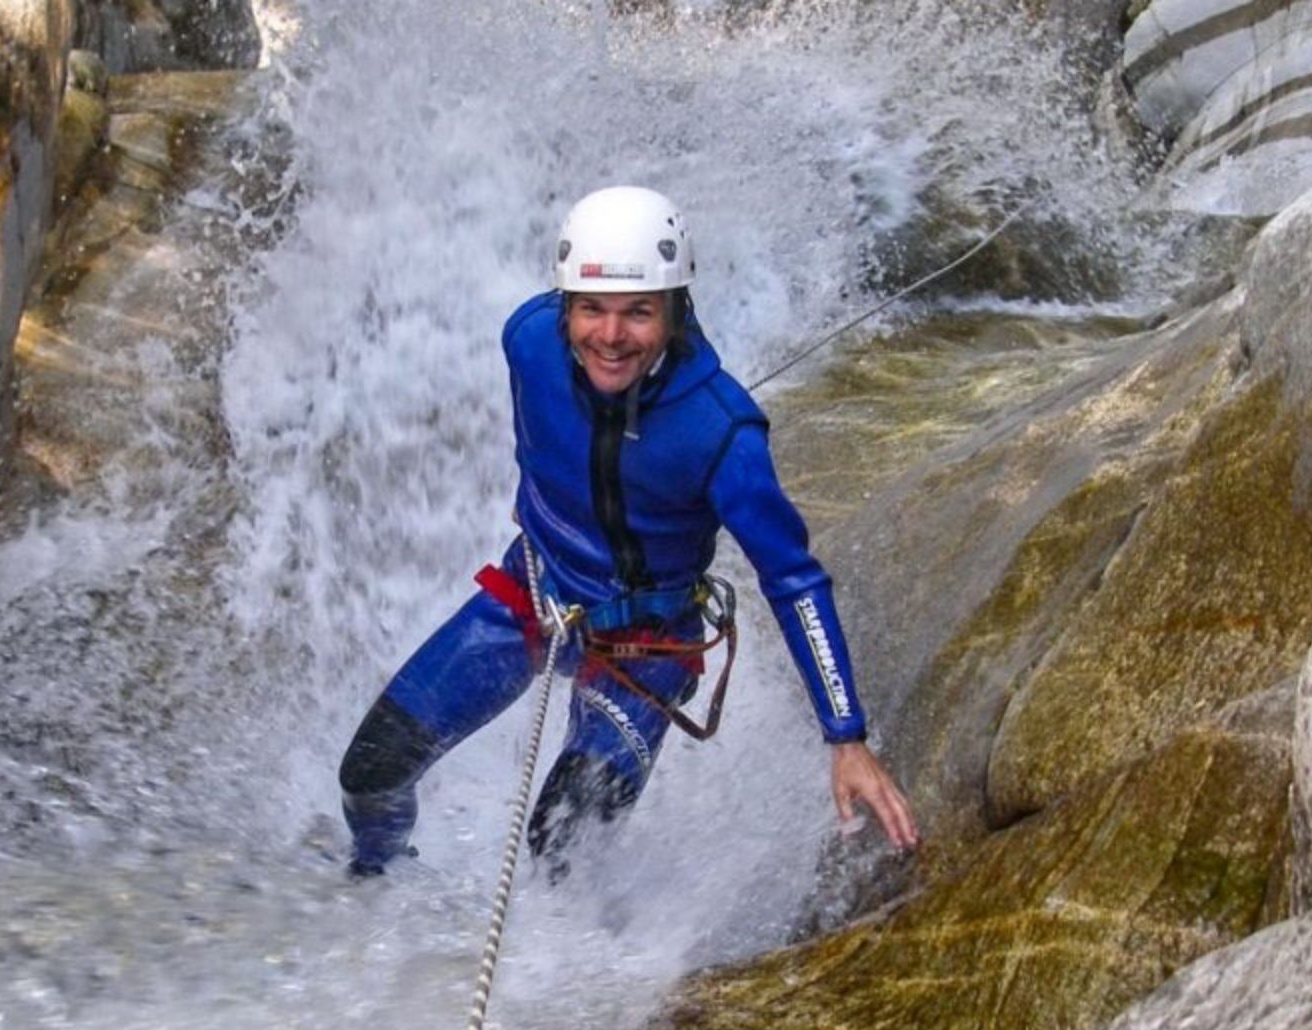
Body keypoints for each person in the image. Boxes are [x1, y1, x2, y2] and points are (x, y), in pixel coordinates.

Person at [338, 185, 919, 878]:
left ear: (675, 312)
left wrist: (846, 735)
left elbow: (793, 581)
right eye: (591, 309)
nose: (610, 337)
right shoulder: (527, 342)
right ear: (565, 306)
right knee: (369, 776)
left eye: (638, 312)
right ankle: (374, 884)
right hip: (533, 593)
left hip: (648, 646)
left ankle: (574, 964)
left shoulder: (723, 433)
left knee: (560, 847)